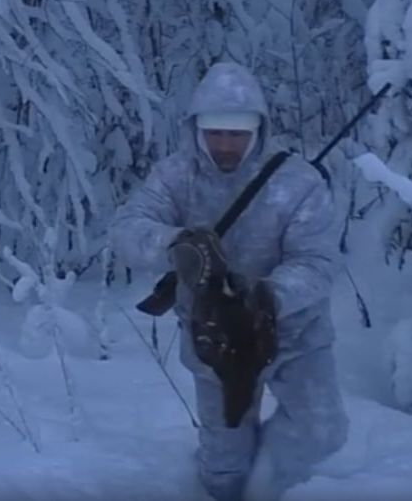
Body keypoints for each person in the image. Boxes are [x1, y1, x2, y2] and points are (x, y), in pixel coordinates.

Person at [109, 61, 348, 501]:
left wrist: (265, 297)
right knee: (225, 461)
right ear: (196, 129)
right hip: (214, 338)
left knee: (322, 431)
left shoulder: (298, 183)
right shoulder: (175, 175)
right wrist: (177, 243)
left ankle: (270, 486)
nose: (224, 144)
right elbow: (127, 229)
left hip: (295, 331)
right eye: (214, 132)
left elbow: (316, 263)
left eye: (236, 133)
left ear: (258, 130)